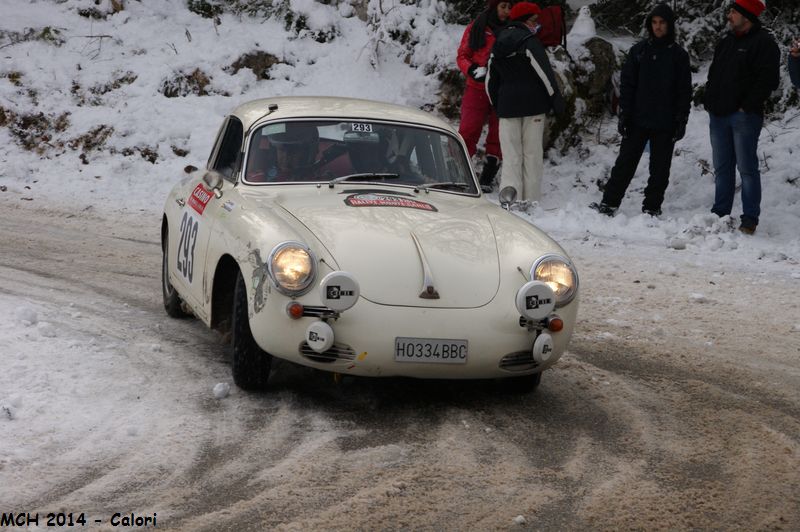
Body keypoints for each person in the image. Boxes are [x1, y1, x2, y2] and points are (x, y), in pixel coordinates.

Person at [589, 3, 691, 218]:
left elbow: (684, 90)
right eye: (654, 22)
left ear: (669, 25)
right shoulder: (639, 51)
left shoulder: (678, 55)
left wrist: (682, 119)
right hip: (637, 119)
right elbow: (628, 84)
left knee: (660, 169)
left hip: (665, 121)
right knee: (624, 164)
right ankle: (609, 203)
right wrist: (625, 113)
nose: (658, 27)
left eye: (662, 23)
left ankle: (652, 207)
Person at [704, 0, 779, 235]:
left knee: (747, 169)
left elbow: (768, 80)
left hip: (744, 117)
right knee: (722, 167)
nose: (729, 15)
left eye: (734, 11)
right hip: (718, 115)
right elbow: (714, 73)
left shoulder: (764, 43)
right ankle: (720, 213)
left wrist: (746, 107)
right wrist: (710, 100)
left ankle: (749, 220)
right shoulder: (726, 42)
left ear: (747, 15)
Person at [486, 2, 565, 206]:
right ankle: (531, 201)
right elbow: (545, 75)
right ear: (525, 20)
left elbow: (490, 81)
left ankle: (509, 200)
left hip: (507, 108)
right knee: (532, 154)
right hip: (534, 107)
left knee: (511, 155)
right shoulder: (530, 41)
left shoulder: (498, 42)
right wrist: (557, 103)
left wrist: (498, 105)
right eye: (534, 21)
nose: (537, 25)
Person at [457, 0, 512, 192]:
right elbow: (462, 55)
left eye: (509, 7)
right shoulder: (477, 27)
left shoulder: (513, 29)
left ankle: (488, 176)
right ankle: (458, 172)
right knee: (468, 129)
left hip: (502, 88)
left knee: (498, 133)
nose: (506, 11)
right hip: (477, 87)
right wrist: (471, 69)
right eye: (503, 6)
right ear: (494, 6)